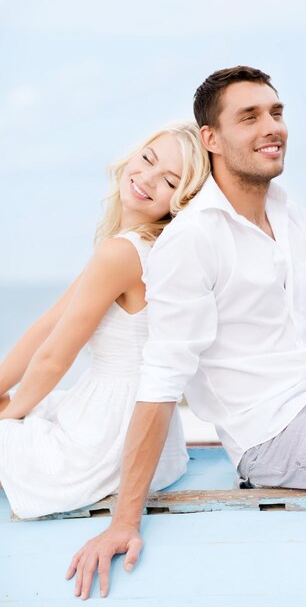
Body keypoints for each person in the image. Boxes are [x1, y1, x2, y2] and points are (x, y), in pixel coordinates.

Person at [67, 66, 306, 600]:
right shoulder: (192, 241)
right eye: (248, 117)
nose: (269, 126)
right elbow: (161, 383)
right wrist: (123, 522)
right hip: (278, 434)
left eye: (275, 113)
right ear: (211, 139)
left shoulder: (291, 215)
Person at [0, 121, 210, 520]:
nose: (147, 178)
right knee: (9, 400)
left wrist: (8, 415)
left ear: (182, 199)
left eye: (168, 180)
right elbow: (49, 324)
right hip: (146, 432)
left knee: (11, 413)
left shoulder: (121, 254)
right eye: (147, 159)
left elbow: (53, 359)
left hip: (107, 437)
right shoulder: (144, 246)